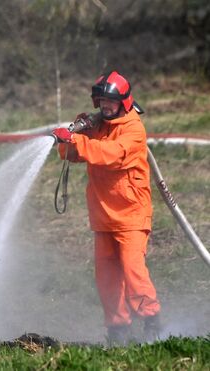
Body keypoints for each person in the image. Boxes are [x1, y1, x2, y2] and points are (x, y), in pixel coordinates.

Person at [51, 71, 161, 345]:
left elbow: (111, 154)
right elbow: (76, 154)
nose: (104, 107)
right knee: (107, 278)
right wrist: (67, 139)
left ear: (124, 101)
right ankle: (117, 331)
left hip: (131, 214)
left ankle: (152, 325)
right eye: (101, 102)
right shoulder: (98, 125)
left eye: (110, 102)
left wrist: (78, 139)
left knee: (134, 272)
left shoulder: (133, 129)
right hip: (103, 216)